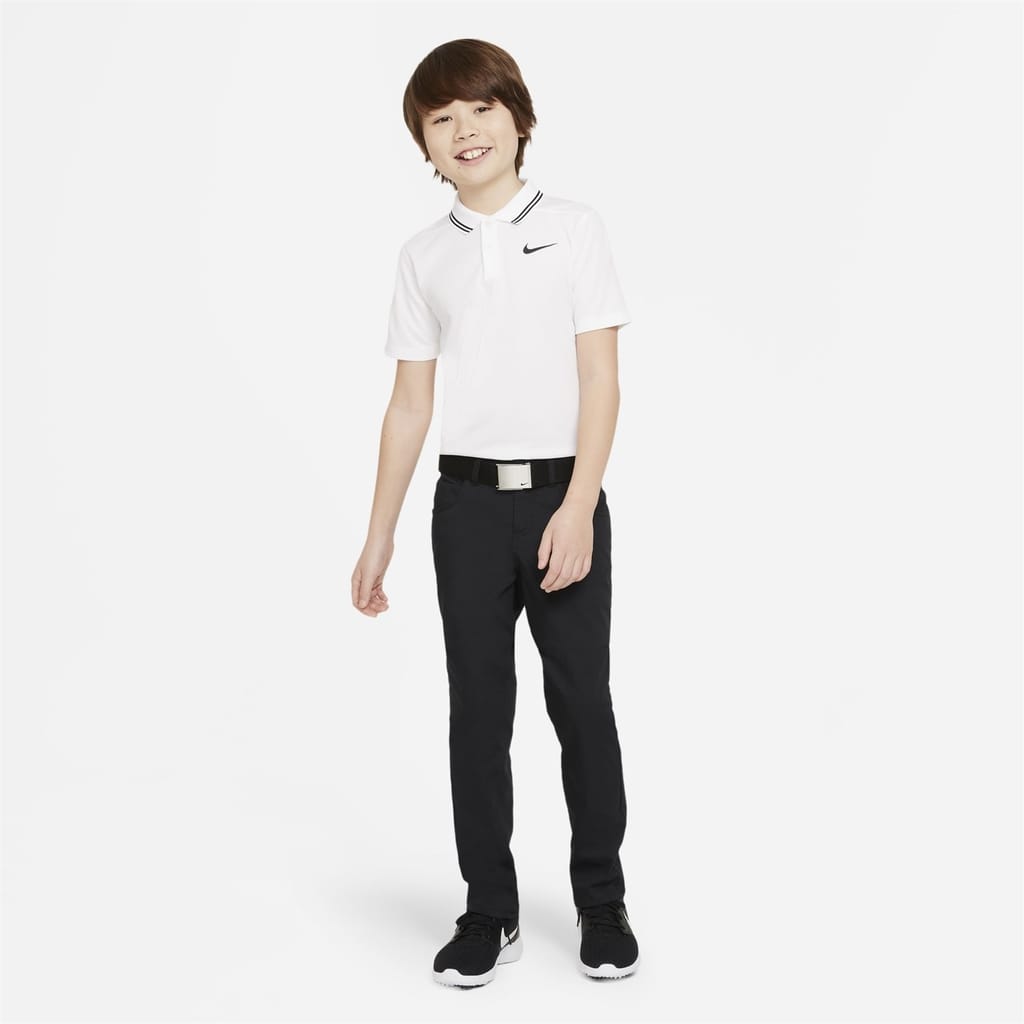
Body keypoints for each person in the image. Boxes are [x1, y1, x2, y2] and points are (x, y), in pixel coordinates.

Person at [351, 37, 639, 987]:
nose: (465, 130)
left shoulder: (576, 228)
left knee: (581, 704)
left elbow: (600, 380)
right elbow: (409, 406)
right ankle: (490, 909)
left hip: (562, 498)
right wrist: (380, 534)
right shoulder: (423, 256)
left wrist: (580, 506)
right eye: (441, 119)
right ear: (425, 145)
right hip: (466, 509)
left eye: (481, 108)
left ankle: (602, 900)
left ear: (518, 117)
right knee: (477, 712)